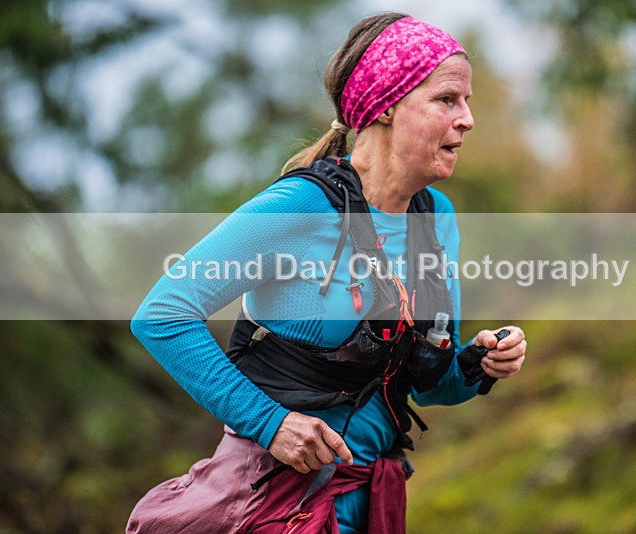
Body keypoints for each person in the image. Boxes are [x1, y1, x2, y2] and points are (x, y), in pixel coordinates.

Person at [127, 12, 526, 534]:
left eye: (466, 102)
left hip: (370, 506)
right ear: (385, 106)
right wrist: (271, 424)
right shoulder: (302, 207)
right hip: (268, 505)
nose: (467, 118)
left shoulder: (437, 219)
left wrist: (480, 364)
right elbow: (162, 315)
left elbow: (427, 387)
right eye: (447, 99)